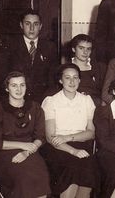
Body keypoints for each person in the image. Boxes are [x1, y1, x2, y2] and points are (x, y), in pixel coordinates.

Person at [0, 71, 50, 197]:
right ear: (6, 88)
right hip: (3, 153)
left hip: (30, 152)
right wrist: (23, 145)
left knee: (41, 175)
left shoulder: (35, 108)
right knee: (23, 177)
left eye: (22, 85)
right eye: (14, 85)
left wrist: (27, 151)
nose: (19, 89)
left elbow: (40, 137)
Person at [41, 64, 99, 197]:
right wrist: (73, 151)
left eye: (75, 77)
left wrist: (68, 137)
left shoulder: (86, 100)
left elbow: (91, 132)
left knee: (89, 167)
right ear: (60, 80)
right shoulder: (51, 101)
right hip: (57, 147)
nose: (72, 82)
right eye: (67, 78)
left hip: (80, 143)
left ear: (79, 80)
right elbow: (50, 137)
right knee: (71, 167)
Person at [0, 8, 58, 103]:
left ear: (40, 26)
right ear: (21, 25)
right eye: (27, 24)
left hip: (42, 101)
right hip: (15, 100)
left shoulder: (50, 47)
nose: (32, 28)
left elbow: (52, 79)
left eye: (35, 24)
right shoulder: (8, 46)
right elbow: (0, 78)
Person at [69, 34, 106, 106]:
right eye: (81, 48)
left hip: (96, 106)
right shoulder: (64, 68)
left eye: (88, 49)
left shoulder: (100, 68)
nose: (85, 52)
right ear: (73, 49)